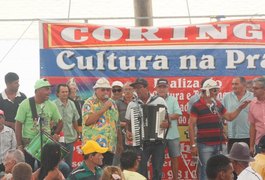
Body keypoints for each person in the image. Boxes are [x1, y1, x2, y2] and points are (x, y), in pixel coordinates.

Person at [188, 78, 251, 180]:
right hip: (205, 144)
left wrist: (240, 108)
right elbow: (191, 125)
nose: (216, 92)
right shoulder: (196, 105)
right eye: (214, 90)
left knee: (224, 170)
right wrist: (193, 145)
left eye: (216, 90)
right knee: (205, 170)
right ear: (207, 90)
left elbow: (229, 117)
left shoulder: (217, 104)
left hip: (220, 144)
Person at [125, 78, 168, 180]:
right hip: (141, 142)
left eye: (139, 88)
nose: (137, 90)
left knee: (157, 169)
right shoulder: (132, 104)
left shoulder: (159, 100)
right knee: (141, 169)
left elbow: (167, 119)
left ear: (146, 88)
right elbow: (128, 122)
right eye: (136, 88)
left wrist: (166, 124)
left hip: (158, 142)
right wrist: (128, 131)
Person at [15, 78, 63, 170]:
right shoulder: (25, 104)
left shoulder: (51, 105)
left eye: (49, 89)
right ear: (37, 90)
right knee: (28, 169)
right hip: (29, 143)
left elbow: (60, 122)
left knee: (45, 170)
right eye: (46, 89)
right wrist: (20, 145)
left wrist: (55, 134)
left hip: (45, 143)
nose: (49, 92)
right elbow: (18, 124)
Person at [82, 77, 122, 166]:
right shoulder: (89, 103)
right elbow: (88, 121)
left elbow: (116, 124)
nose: (106, 92)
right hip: (94, 148)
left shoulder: (112, 103)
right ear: (96, 90)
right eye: (103, 90)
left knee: (106, 173)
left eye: (108, 90)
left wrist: (119, 143)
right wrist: (104, 108)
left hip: (109, 146)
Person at [155, 78, 182, 180]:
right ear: (156, 88)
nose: (162, 89)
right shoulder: (153, 99)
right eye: (160, 87)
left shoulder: (173, 99)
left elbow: (178, 114)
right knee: (158, 160)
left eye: (164, 87)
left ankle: (175, 178)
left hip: (172, 135)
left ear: (168, 88)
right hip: (158, 135)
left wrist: (166, 118)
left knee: (174, 159)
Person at [222, 77, 254, 152]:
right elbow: (222, 116)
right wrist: (224, 129)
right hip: (232, 136)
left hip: (249, 136)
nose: (233, 86)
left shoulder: (253, 97)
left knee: (248, 162)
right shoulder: (227, 97)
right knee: (233, 161)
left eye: (236, 84)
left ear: (244, 85)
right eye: (232, 84)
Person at [54, 84, 80, 170]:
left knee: (69, 165)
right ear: (58, 93)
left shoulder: (72, 104)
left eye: (66, 92)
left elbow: (75, 120)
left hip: (70, 138)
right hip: (57, 139)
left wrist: (77, 133)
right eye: (63, 92)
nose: (65, 94)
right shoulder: (53, 105)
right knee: (58, 164)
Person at [248, 77, 265, 155]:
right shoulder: (252, 104)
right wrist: (251, 146)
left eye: (256, 88)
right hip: (259, 145)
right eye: (252, 88)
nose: (253, 90)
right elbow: (252, 125)